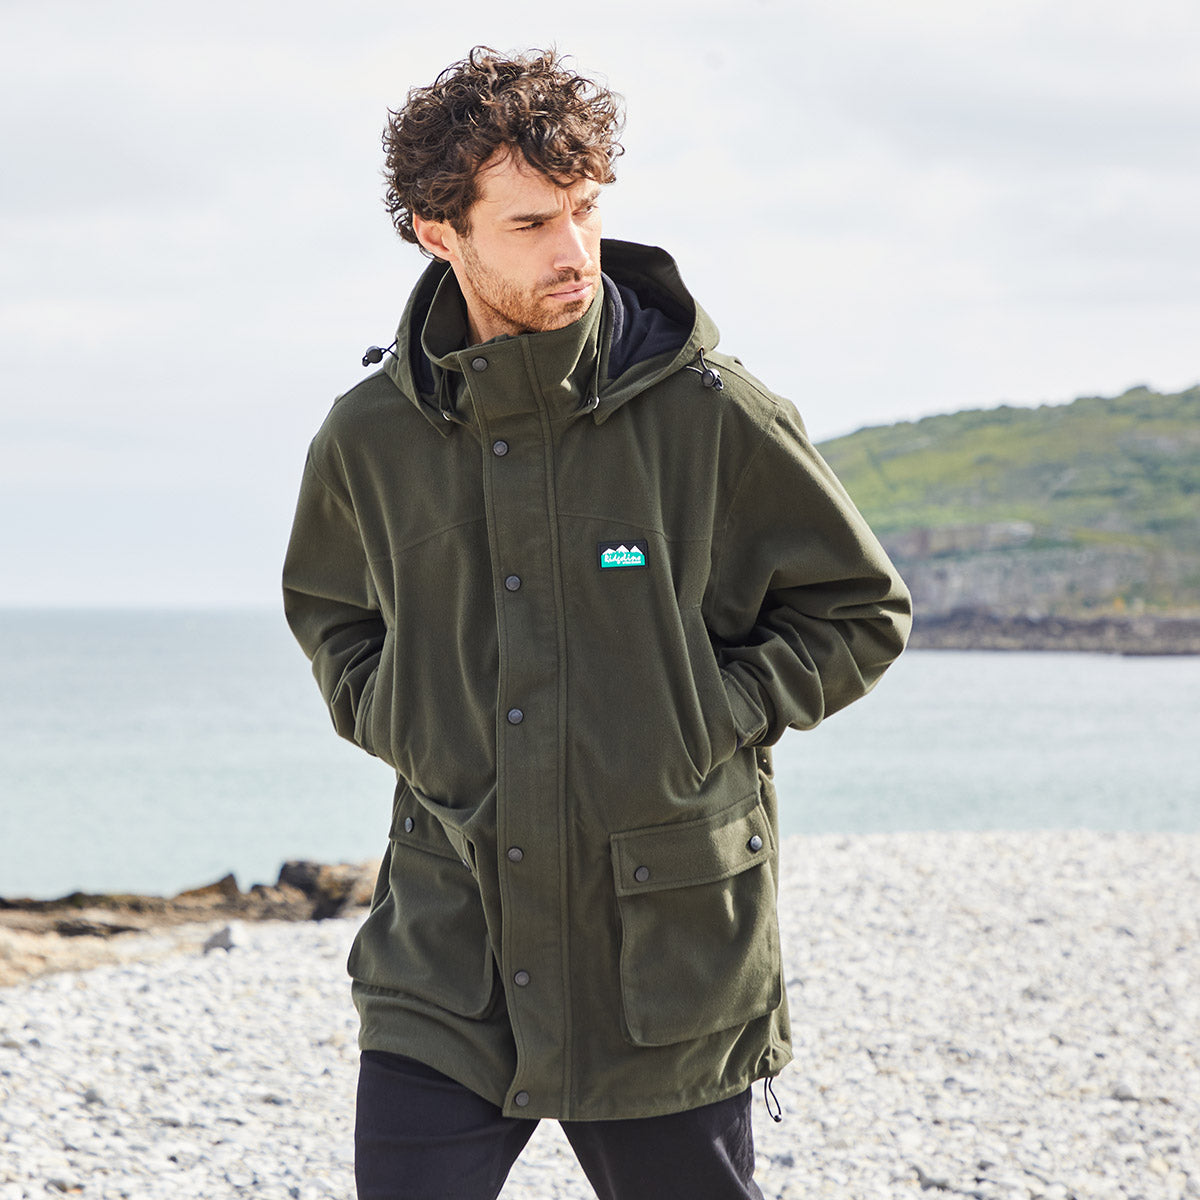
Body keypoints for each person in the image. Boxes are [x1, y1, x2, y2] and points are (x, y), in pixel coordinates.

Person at [282, 46, 911, 1200]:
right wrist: (411, 722)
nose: (572, 250)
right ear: (439, 231)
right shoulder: (369, 438)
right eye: (530, 224)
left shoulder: (712, 412)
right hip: (447, 950)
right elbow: (333, 618)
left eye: (584, 210)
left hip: (664, 958)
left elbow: (860, 610)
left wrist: (708, 715)